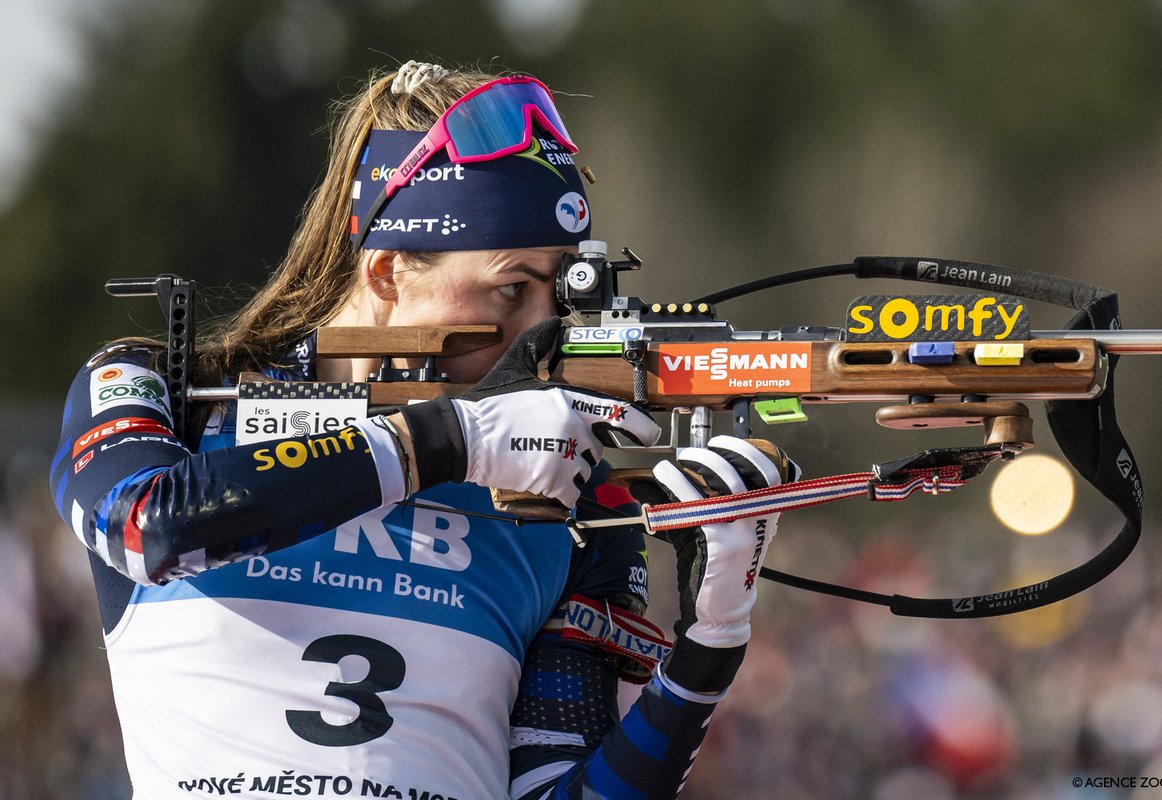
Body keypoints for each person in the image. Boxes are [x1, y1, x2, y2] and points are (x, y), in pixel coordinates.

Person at [49, 60, 790, 799]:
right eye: (511, 288)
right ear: (387, 272)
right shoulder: (169, 391)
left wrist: (708, 647)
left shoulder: (562, 492)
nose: (542, 331)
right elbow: (146, 526)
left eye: (562, 291)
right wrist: (449, 442)